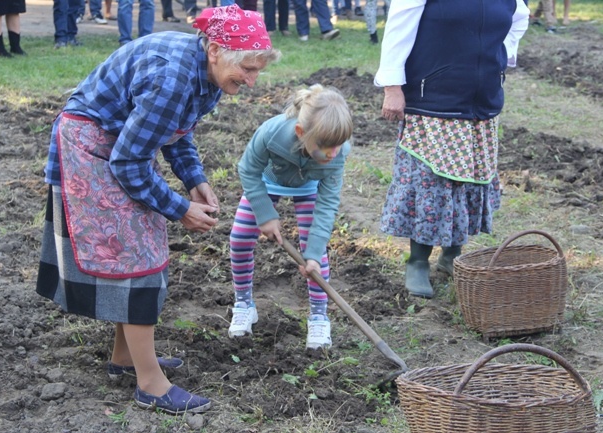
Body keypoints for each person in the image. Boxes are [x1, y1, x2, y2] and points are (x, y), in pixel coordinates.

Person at [36, 4, 280, 415]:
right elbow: (129, 162)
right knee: (138, 258)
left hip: (119, 147)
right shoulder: (171, 78)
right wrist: (180, 208)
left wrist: (194, 180)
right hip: (91, 146)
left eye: (257, 70)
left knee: (138, 250)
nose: (252, 81)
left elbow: (175, 132)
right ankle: (150, 385)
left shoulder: (210, 73)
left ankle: (125, 359)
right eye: (248, 70)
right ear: (216, 49)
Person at [375, 0, 529, 298]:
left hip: (480, 103)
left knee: (469, 180)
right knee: (429, 184)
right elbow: (399, 24)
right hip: (432, 98)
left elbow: (519, 16)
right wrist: (392, 85)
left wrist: (502, 56)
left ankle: (452, 254)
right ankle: (418, 261)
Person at [228, 84, 353, 349]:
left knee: (315, 255)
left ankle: (319, 317)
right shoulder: (272, 133)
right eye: (325, 148)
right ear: (301, 132)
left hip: (309, 186)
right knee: (239, 239)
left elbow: (328, 204)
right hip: (267, 181)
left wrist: (313, 254)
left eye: (338, 147)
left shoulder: (336, 155)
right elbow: (248, 170)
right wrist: (264, 213)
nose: (332, 154)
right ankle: (243, 304)